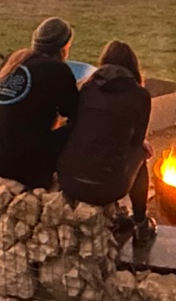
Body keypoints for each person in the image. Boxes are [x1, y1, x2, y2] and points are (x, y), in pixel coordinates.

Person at [55, 38, 156, 242]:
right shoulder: (140, 95)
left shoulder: (85, 87)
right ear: (133, 66)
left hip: (69, 180)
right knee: (141, 155)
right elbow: (136, 141)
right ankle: (140, 222)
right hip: (108, 187)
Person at [0, 16, 81, 191]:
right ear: (64, 47)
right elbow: (74, 112)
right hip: (21, 165)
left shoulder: (13, 59)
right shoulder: (56, 70)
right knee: (82, 125)